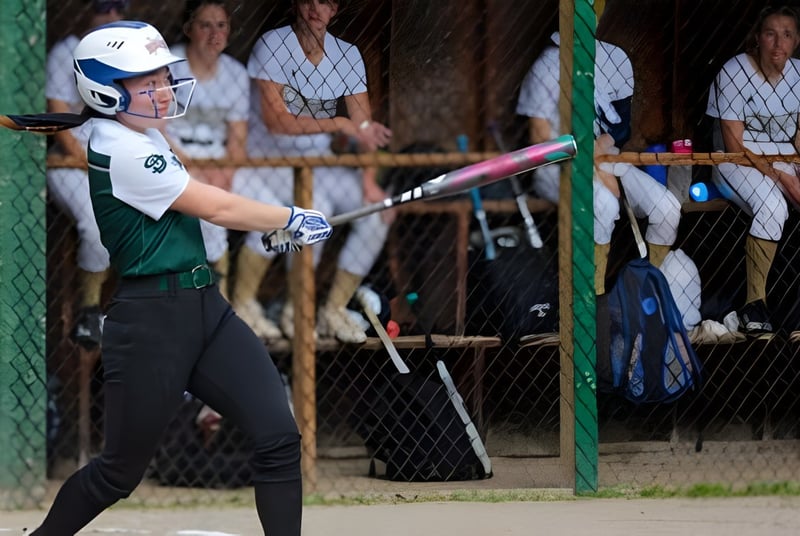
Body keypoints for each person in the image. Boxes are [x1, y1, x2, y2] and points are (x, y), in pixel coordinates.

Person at [22, 21, 332, 535]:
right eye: (148, 82)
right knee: (118, 473)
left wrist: (275, 226)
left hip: (205, 308)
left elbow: (199, 209)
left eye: (164, 77)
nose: (164, 89)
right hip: (152, 324)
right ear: (105, 91)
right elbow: (215, 206)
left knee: (277, 436)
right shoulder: (122, 148)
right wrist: (288, 216)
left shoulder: (142, 132)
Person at [234, 0, 392, 344]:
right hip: (267, 162)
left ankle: (333, 309)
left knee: (378, 211)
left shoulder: (347, 55)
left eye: (325, 2)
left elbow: (363, 127)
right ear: (296, 4)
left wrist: (369, 182)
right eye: (309, 0)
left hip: (317, 162)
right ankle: (294, 309)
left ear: (334, 9)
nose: (315, 9)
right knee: (312, 210)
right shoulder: (273, 44)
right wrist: (337, 123)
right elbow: (276, 122)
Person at [516, 30, 681, 296]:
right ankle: (592, 297)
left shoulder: (613, 57)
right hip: (557, 164)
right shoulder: (546, 65)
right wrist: (589, 160)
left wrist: (599, 154)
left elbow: (621, 128)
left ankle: (647, 294)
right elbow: (539, 138)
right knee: (604, 205)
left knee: (667, 208)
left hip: (606, 155)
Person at [706, 5, 800, 337]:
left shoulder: (798, 74)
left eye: (787, 35)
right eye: (771, 33)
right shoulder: (735, 71)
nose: (778, 43)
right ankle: (754, 304)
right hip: (735, 161)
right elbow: (734, 145)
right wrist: (783, 177)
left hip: (785, 157)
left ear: (796, 40)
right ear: (757, 37)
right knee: (773, 206)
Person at [45, 0, 129, 348]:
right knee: (96, 224)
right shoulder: (66, 52)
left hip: (117, 159)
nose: (110, 16)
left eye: (117, 8)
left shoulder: (128, 54)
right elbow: (57, 118)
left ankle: (134, 308)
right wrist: (87, 159)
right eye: (102, 7)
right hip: (71, 162)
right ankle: (89, 312)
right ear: (85, 11)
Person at [165, 0, 250, 300]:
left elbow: (238, 137)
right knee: (208, 213)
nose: (214, 34)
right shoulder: (169, 65)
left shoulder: (236, 73)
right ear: (189, 29)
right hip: (175, 158)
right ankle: (215, 299)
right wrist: (190, 166)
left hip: (219, 162)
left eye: (221, 25)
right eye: (205, 25)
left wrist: (227, 172)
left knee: (268, 202)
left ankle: (241, 301)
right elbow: (155, 129)